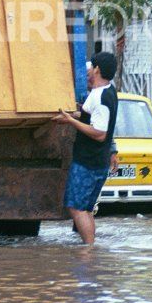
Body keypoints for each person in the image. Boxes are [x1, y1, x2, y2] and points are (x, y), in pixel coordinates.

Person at [54, 51, 119, 244]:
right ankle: (89, 251)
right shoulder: (105, 90)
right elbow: (88, 116)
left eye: (91, 67)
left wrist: (70, 122)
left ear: (97, 69)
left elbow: (99, 134)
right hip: (95, 162)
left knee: (76, 207)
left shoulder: (101, 97)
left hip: (89, 162)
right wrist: (70, 117)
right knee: (86, 209)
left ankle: (89, 249)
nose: (88, 70)